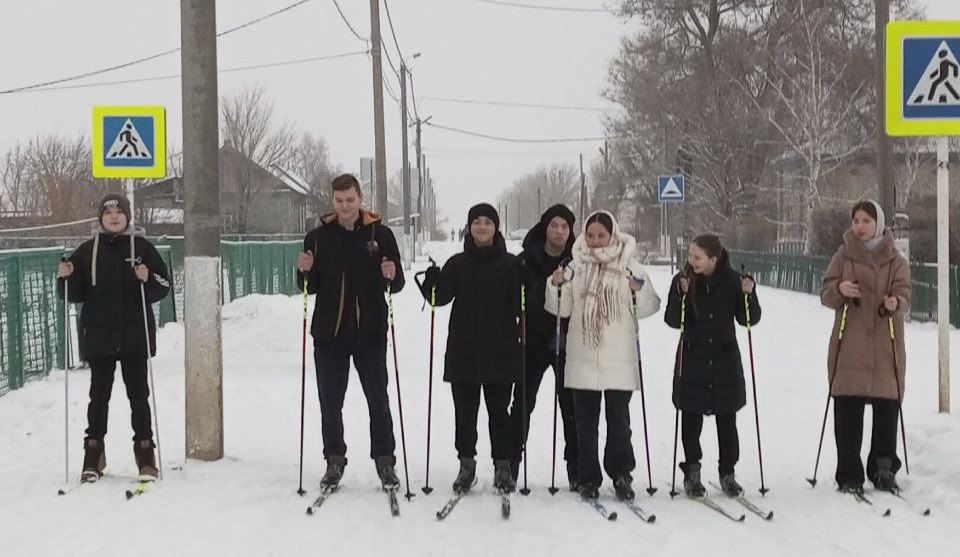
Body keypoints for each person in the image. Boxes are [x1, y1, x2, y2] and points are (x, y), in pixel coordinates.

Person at [296, 173, 404, 491]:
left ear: (360, 199)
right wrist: (302, 270)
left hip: (369, 332)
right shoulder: (317, 237)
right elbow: (307, 286)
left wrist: (392, 272)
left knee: (377, 399)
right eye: (339, 200)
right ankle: (334, 460)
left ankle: (385, 461)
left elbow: (395, 284)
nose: (345, 206)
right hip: (329, 334)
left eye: (351, 200)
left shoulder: (380, 234)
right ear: (333, 201)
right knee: (330, 400)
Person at [56, 194, 171, 483]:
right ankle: (93, 453)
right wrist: (66, 278)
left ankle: (145, 452)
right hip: (99, 336)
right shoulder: (86, 250)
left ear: (128, 216)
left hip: (134, 335)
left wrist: (147, 278)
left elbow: (164, 286)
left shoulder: (142, 247)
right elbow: (73, 294)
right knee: (98, 397)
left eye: (120, 212)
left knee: (139, 397)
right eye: (109, 213)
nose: (115, 217)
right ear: (100, 218)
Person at [547, 210, 660, 500]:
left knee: (619, 423)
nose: (596, 241)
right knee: (585, 425)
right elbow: (561, 309)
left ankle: (621, 474)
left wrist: (639, 291)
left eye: (602, 235)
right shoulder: (575, 267)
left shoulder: (629, 266)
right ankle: (588, 478)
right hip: (582, 359)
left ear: (613, 235)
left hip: (618, 361)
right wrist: (556, 285)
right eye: (592, 235)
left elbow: (648, 308)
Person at [418, 203, 521, 494]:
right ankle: (467, 464)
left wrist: (527, 282)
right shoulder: (457, 263)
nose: (482, 227)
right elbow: (440, 298)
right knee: (465, 414)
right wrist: (431, 282)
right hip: (464, 351)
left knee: (499, 413)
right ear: (469, 227)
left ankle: (503, 466)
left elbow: (521, 304)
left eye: (488, 222)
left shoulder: (511, 264)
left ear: (496, 227)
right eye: (476, 221)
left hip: (501, 351)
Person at [820, 200, 910, 494]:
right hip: (850, 344)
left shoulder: (896, 261)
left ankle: (883, 468)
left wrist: (895, 302)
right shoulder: (843, 256)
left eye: (866, 221)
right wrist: (839, 290)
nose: (859, 226)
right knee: (848, 409)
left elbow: (905, 295)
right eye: (856, 221)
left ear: (879, 225)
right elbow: (826, 293)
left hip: (886, 345)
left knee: (887, 408)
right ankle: (849, 472)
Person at [664, 234, 759, 498]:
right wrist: (680, 294)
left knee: (727, 421)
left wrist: (748, 295)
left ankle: (727, 472)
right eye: (690, 255)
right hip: (692, 359)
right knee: (690, 419)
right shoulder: (684, 280)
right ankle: (691, 471)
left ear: (713, 260)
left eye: (697, 257)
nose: (691, 261)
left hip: (724, 361)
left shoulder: (732, 281)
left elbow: (748, 319)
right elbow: (672, 320)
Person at [508, 204, 579, 490]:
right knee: (523, 405)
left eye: (564, 227)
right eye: (554, 225)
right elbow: (512, 301)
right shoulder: (525, 260)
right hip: (533, 341)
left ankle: (576, 467)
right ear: (545, 227)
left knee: (571, 407)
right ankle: (510, 465)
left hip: (568, 342)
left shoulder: (578, 261)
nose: (559, 231)